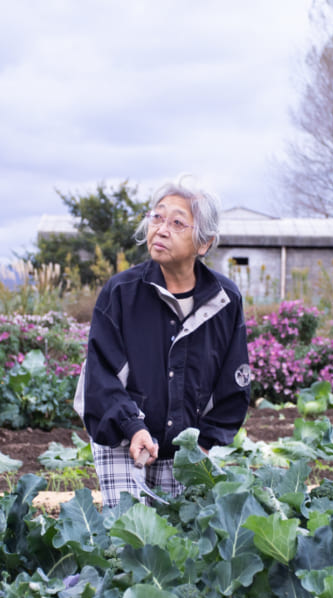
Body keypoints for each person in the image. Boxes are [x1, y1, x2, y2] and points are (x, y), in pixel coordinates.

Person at [75, 176, 251, 507]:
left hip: (186, 444)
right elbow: (101, 376)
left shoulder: (224, 300)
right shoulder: (121, 293)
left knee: (182, 538)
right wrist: (133, 427)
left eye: (177, 222)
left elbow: (234, 383)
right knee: (131, 531)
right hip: (121, 435)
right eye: (157, 217)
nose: (161, 229)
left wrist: (203, 445)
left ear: (204, 243)